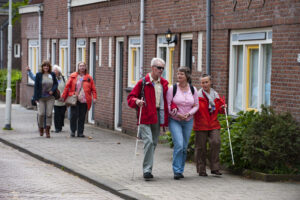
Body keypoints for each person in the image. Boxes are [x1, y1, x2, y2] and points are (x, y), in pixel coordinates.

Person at [127, 57, 169, 180]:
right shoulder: (143, 82)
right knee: (149, 141)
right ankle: (147, 170)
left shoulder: (164, 83)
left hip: (157, 115)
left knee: (154, 143)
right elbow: (130, 98)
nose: (161, 70)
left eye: (163, 68)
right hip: (145, 115)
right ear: (152, 68)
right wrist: (137, 101)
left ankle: (148, 167)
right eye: (159, 68)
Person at [166, 66, 199, 180]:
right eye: (178, 74)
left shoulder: (193, 89)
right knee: (179, 144)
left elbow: (196, 105)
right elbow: (168, 105)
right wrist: (177, 115)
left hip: (188, 121)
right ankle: (176, 170)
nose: (179, 76)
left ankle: (181, 169)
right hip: (175, 120)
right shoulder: (172, 88)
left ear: (187, 76)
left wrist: (189, 114)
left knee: (184, 147)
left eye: (181, 74)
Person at [193, 74, 225, 176]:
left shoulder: (216, 95)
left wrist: (223, 107)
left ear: (210, 82)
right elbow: (193, 109)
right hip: (201, 124)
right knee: (201, 147)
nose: (204, 84)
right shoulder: (197, 96)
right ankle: (201, 169)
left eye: (206, 82)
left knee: (216, 142)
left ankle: (215, 168)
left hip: (213, 124)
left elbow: (220, 110)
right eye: (202, 82)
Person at [61, 62, 97, 137]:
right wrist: (63, 96)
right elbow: (67, 87)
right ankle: (73, 131)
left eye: (83, 66)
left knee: (82, 116)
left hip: (84, 99)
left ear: (85, 67)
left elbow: (93, 89)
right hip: (75, 98)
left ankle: (80, 132)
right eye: (80, 66)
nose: (82, 67)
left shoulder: (89, 77)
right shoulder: (73, 76)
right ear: (78, 67)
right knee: (74, 115)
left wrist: (95, 97)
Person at [33, 61, 58, 138]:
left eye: (47, 66)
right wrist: (35, 97)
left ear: (49, 67)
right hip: (41, 98)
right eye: (44, 66)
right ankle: (41, 127)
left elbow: (56, 84)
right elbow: (36, 86)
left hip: (50, 98)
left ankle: (47, 130)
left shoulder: (52, 74)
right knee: (41, 113)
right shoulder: (39, 75)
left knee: (49, 113)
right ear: (42, 67)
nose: (46, 67)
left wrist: (52, 90)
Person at [53, 65, 67, 133]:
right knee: (56, 114)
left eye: (55, 70)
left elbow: (67, 88)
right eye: (53, 70)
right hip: (55, 99)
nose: (54, 71)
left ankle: (61, 125)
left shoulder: (64, 79)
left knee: (62, 114)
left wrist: (63, 96)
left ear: (59, 71)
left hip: (63, 99)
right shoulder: (52, 78)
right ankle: (57, 128)